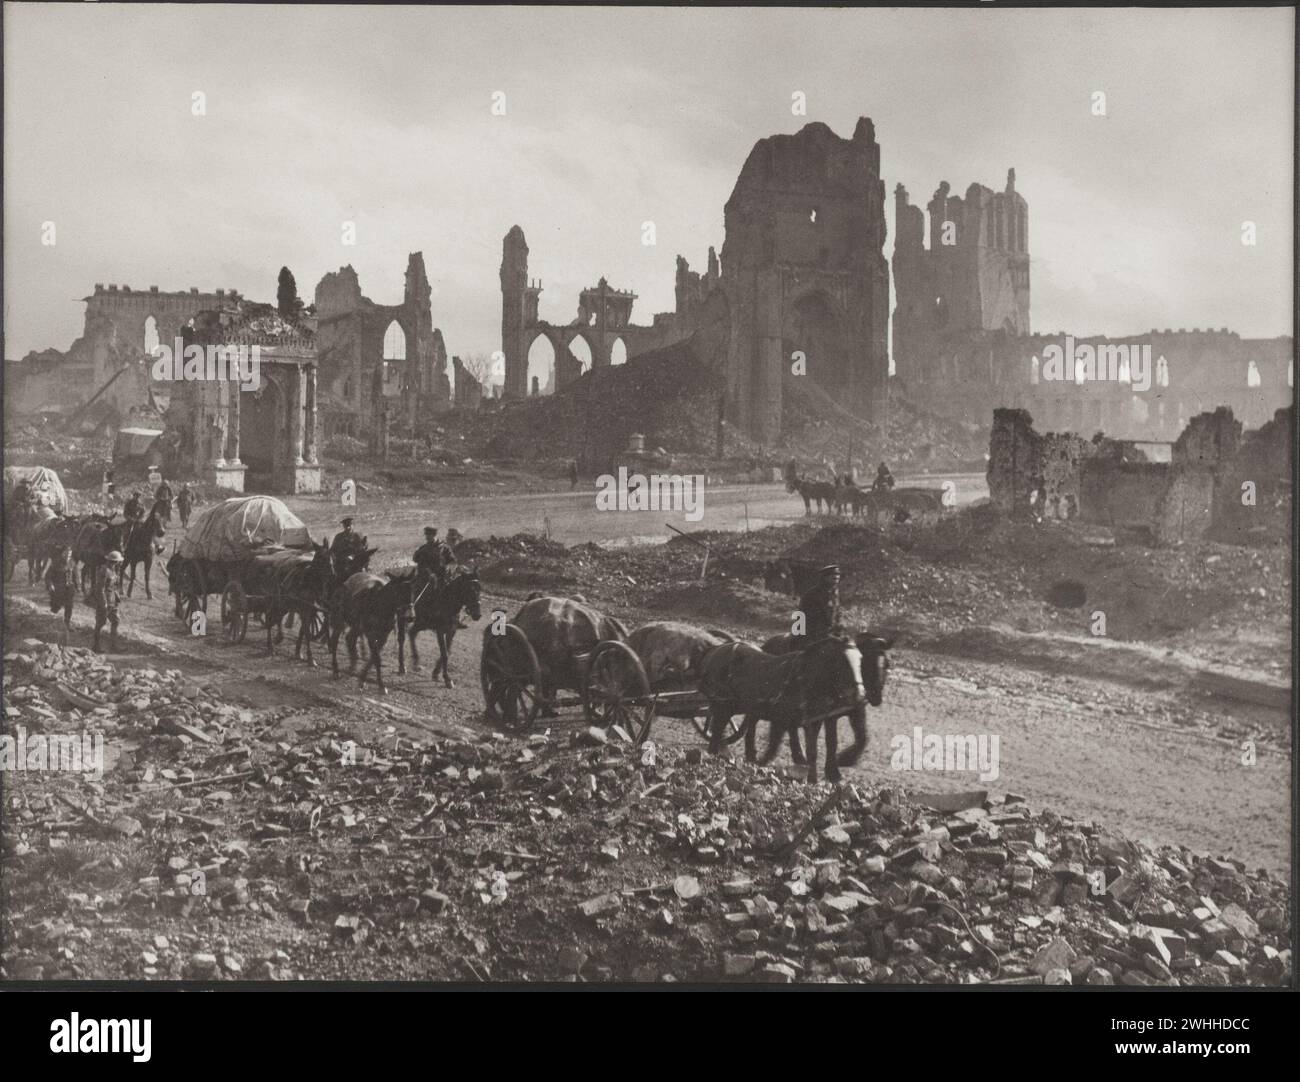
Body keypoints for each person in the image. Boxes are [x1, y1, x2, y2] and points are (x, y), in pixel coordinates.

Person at [798, 565, 842, 641]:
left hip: (830, 632)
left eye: (838, 575)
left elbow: (837, 612)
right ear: (825, 578)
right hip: (813, 632)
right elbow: (805, 616)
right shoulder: (812, 594)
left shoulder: (834, 594)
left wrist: (838, 625)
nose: (837, 577)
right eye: (833, 576)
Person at [93, 550, 124, 652]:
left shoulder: (113, 570)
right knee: (100, 623)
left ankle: (113, 646)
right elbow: (100, 588)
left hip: (112, 601)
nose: (119, 563)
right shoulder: (104, 571)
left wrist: (117, 598)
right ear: (114, 561)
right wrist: (103, 603)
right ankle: (96, 646)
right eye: (118, 561)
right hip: (105, 602)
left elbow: (114, 587)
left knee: (115, 621)